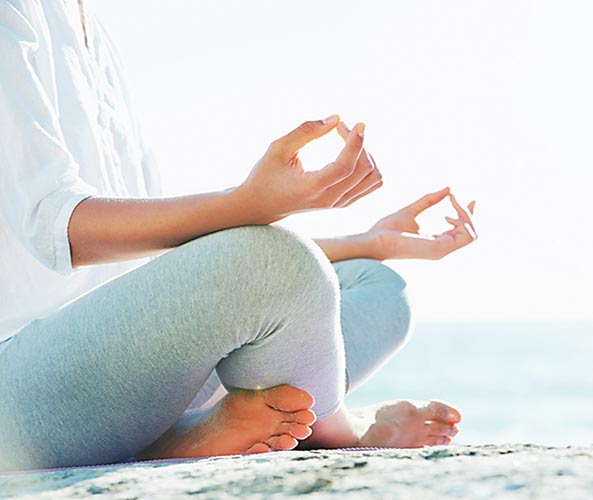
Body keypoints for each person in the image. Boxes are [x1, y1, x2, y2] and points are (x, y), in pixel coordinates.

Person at [0, 0, 477, 472]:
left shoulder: (95, 33)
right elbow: (55, 227)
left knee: (375, 284)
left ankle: (193, 429)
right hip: (22, 395)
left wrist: (370, 243)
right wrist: (250, 202)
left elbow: (165, 267)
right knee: (277, 262)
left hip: (127, 372)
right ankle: (332, 428)